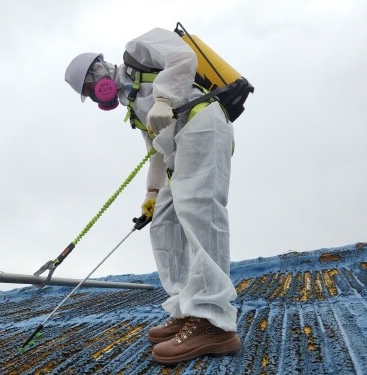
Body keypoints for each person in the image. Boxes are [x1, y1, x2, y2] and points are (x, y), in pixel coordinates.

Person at [65, 27, 240, 364]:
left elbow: (182, 57)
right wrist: (151, 194)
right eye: (90, 92)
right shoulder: (134, 109)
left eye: (91, 86)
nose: (96, 93)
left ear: (99, 70)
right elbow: (157, 154)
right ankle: (186, 308)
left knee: (200, 215)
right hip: (179, 147)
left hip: (203, 121)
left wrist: (163, 99)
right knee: (164, 222)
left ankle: (214, 321)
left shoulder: (138, 50)